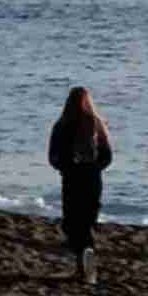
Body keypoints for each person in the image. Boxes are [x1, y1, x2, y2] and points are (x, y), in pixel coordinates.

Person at [48, 86, 113, 284]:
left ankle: (82, 261)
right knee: (88, 219)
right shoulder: (97, 124)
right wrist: (95, 168)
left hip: (71, 178)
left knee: (72, 222)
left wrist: (64, 168)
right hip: (93, 178)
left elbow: (53, 156)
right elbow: (107, 156)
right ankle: (87, 257)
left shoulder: (61, 125)